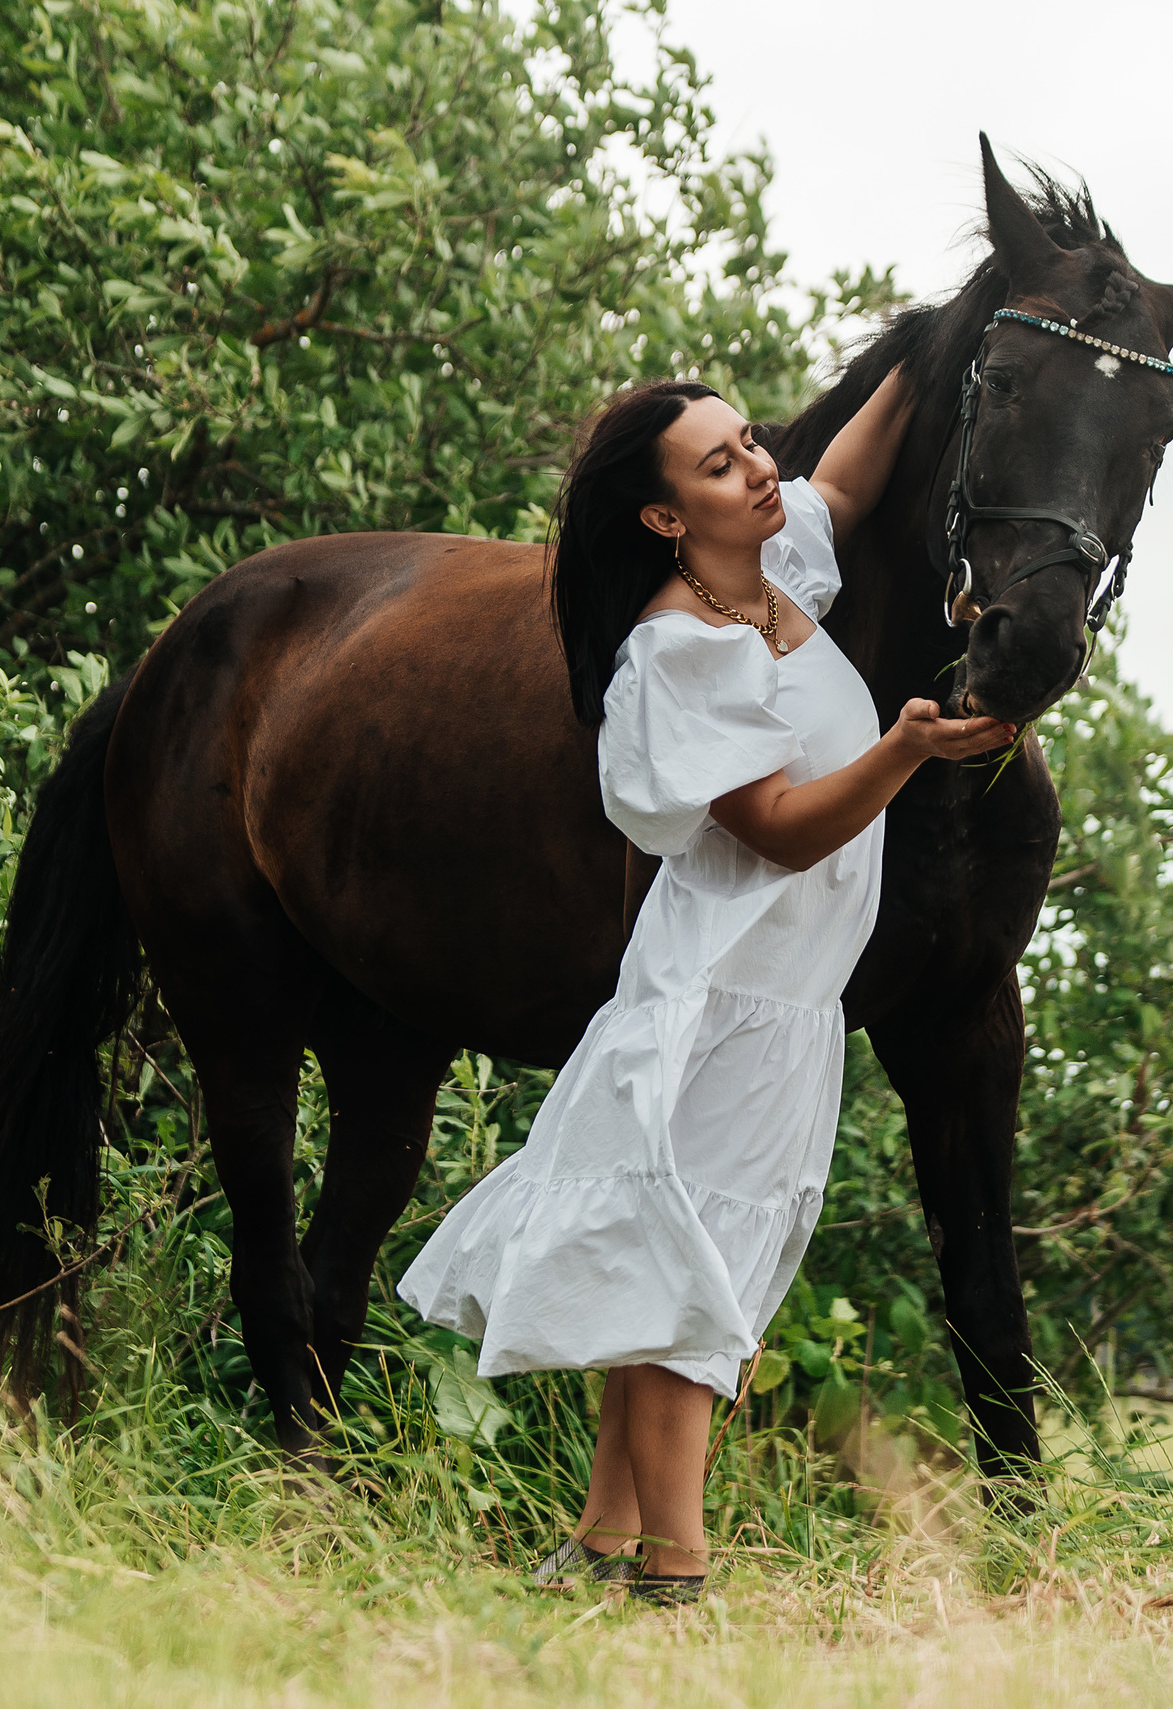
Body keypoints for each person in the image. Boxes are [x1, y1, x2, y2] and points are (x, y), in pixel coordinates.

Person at [397, 374, 1016, 1602]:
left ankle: (598, 1543)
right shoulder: (677, 651)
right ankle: (677, 1573)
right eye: (722, 465)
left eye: (748, 443)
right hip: (723, 1002)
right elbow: (780, 830)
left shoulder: (773, 565)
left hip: (784, 1000)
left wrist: (939, 339)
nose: (758, 470)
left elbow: (842, 474)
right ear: (665, 519)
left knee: (667, 1269)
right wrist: (902, 748)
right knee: (695, 1290)